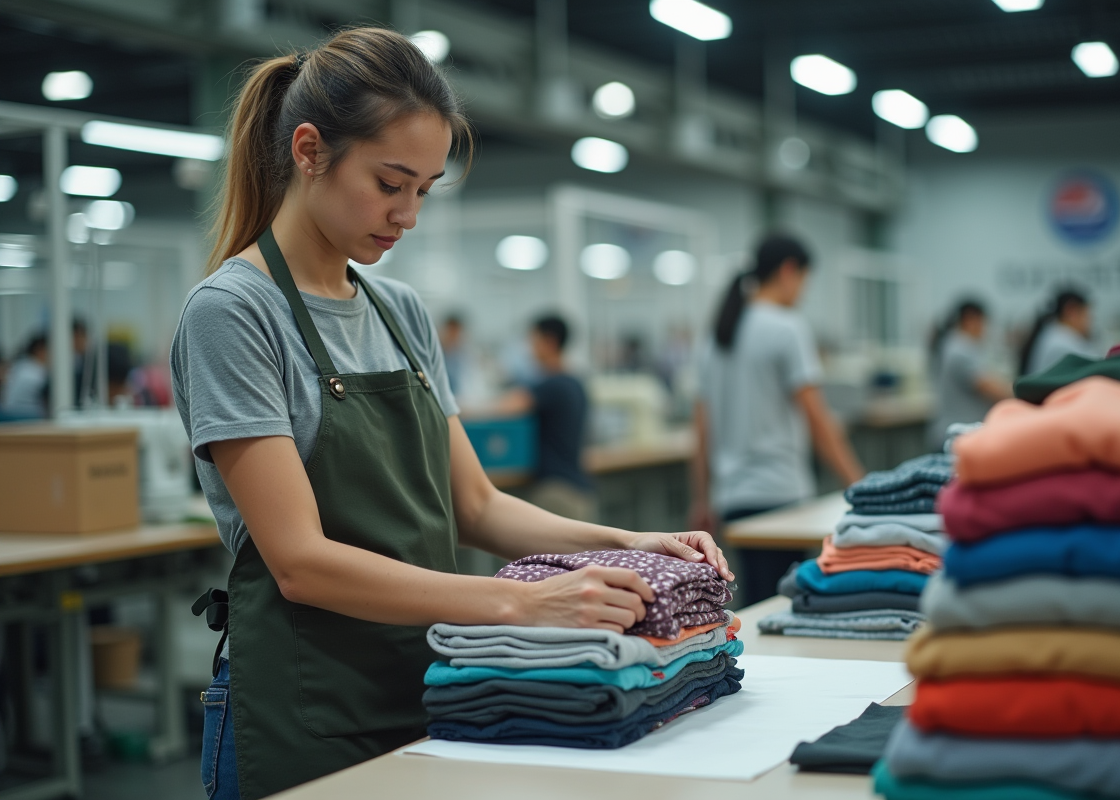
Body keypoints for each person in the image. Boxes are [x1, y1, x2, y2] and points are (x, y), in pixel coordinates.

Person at [170, 29, 731, 800]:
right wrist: (526, 602)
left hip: (431, 682)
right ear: (309, 151)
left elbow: (476, 504)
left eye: (424, 190)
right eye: (390, 183)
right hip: (305, 707)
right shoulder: (234, 313)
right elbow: (299, 562)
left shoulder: (399, 312)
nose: (407, 214)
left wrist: (630, 539)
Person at [691, 234, 864, 606]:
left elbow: (702, 427)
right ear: (789, 271)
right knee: (785, 605)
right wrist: (859, 485)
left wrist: (701, 497)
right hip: (780, 495)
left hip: (733, 498)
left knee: (754, 602)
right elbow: (817, 417)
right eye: (804, 280)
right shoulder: (786, 328)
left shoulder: (716, 337)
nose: (802, 291)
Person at [494, 315, 595, 522]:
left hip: (556, 492)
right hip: (578, 489)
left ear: (549, 342)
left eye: (533, 340)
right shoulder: (576, 383)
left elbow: (504, 407)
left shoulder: (551, 385)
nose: (529, 347)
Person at [927, 299, 1011, 450]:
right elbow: (992, 389)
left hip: (956, 434)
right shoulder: (960, 350)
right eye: (983, 323)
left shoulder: (955, 345)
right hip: (956, 437)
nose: (985, 330)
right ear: (970, 319)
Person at [1019, 288, 1099, 376]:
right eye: (1086, 315)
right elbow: (1097, 366)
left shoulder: (1053, 334)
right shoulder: (1061, 343)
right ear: (1071, 311)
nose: (1089, 322)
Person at [0, 334, 49, 420]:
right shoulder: (34, 371)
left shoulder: (22, 365)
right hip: (22, 416)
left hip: (10, 413)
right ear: (41, 350)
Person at [438, 312, 466, 395]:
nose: (453, 336)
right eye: (451, 332)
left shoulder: (461, 354)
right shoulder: (439, 354)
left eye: (456, 332)